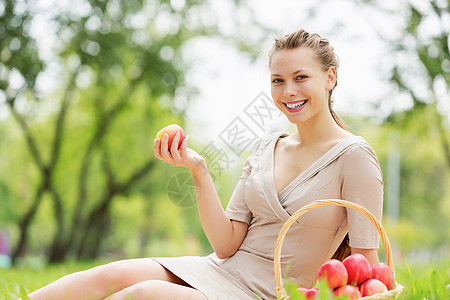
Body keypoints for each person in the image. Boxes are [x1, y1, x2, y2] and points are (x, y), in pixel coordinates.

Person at [26, 28, 383, 300]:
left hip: (265, 293)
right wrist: (198, 169)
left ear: (330, 78)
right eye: (278, 80)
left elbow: (366, 270)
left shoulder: (354, 156)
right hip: (218, 269)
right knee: (108, 276)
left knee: (144, 294)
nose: (288, 91)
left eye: (301, 77)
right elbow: (227, 244)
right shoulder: (264, 148)